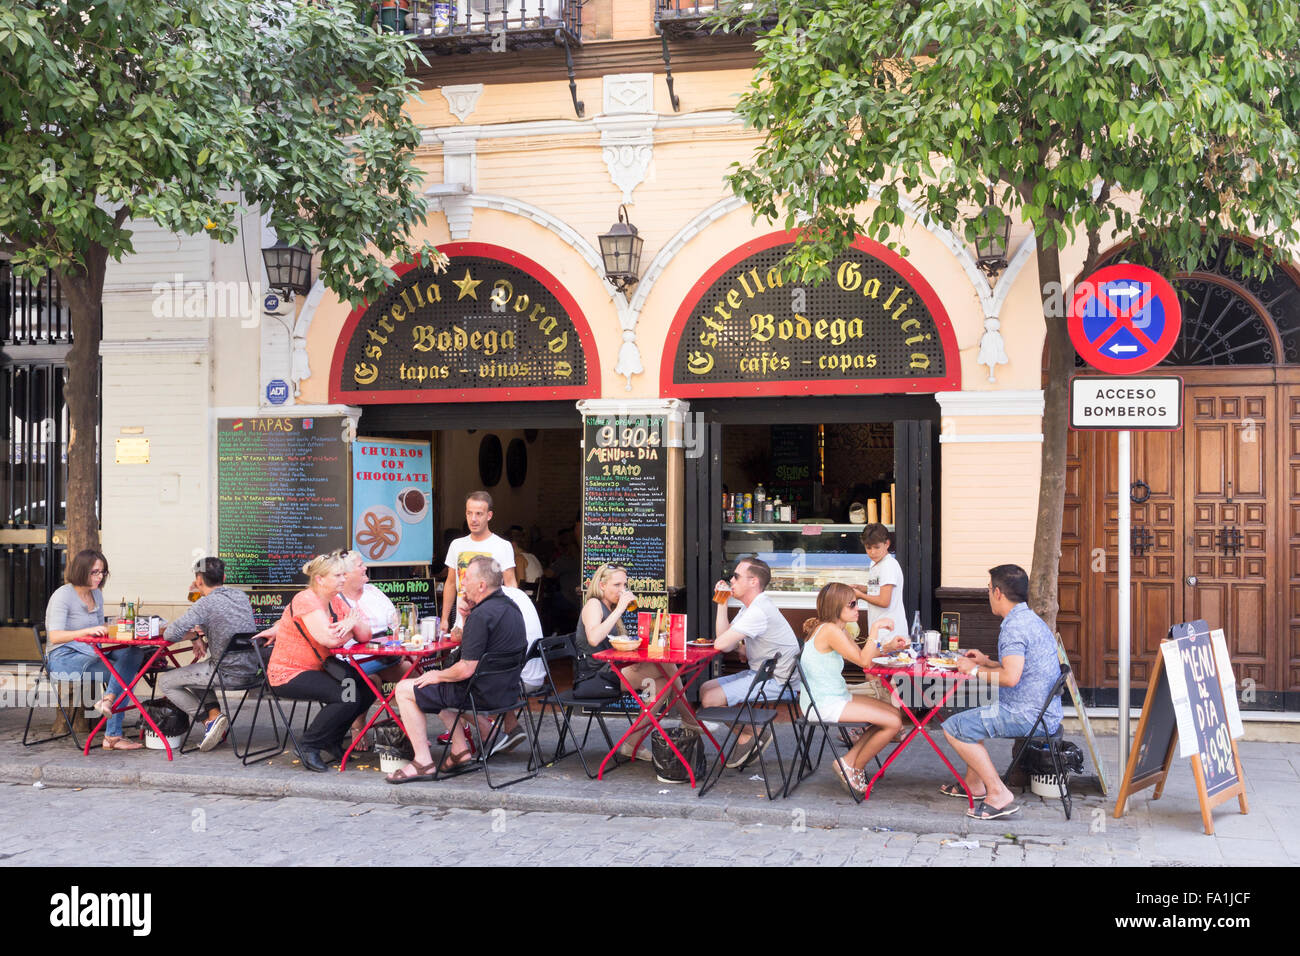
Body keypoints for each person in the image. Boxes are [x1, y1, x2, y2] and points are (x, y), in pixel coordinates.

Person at [941, 564, 1064, 820]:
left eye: (988, 589)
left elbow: (1010, 678)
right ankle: (974, 785)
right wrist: (987, 662)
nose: (988, 594)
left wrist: (973, 671)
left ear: (998, 592)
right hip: (1042, 710)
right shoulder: (1029, 618)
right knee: (965, 707)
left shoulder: (1013, 627)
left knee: (953, 728)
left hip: (1026, 714)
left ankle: (997, 792)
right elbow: (1018, 667)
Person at [388, 556, 526, 782]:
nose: (462, 584)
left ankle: (423, 761)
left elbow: (465, 669)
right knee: (437, 687)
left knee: (405, 688)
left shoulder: (482, 616)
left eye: (467, 578)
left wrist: (437, 674)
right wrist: (465, 617)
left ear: (481, 585)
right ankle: (460, 751)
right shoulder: (510, 607)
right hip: (506, 691)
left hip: (479, 695)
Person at [573, 563, 699, 768]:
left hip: (610, 672)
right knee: (667, 667)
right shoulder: (594, 605)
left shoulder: (609, 608)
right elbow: (594, 638)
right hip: (593, 679)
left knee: (661, 685)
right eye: (617, 584)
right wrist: (621, 607)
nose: (622, 589)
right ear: (602, 585)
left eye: (625, 584)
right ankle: (689, 718)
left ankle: (632, 743)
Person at [267, 552, 376, 772]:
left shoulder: (336, 601)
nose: (343, 579)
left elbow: (365, 636)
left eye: (343, 575)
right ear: (320, 579)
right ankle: (309, 745)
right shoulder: (305, 599)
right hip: (289, 673)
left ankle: (331, 739)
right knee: (345, 696)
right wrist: (348, 627)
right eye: (337, 575)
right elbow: (328, 639)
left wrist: (352, 622)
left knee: (367, 686)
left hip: (320, 668)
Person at [799, 582, 906, 796]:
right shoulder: (829, 630)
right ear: (836, 607)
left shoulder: (836, 628)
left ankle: (848, 761)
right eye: (852, 605)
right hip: (823, 703)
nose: (858, 608)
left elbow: (861, 654)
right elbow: (865, 663)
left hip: (836, 695)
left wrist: (888, 648)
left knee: (893, 714)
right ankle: (853, 766)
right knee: (893, 723)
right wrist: (875, 629)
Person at [699, 556, 801, 768]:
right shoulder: (752, 607)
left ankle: (749, 735)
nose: (731, 581)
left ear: (753, 581)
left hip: (779, 682)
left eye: (736, 577)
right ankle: (751, 734)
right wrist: (722, 603)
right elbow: (727, 643)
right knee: (705, 688)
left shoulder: (757, 611)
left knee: (710, 699)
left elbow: (722, 645)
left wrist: (723, 603)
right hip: (764, 673)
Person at [43, 550, 146, 751]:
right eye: (95, 572)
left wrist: (119, 628)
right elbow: (55, 636)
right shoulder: (63, 596)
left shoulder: (96, 594)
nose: (99, 577)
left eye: (103, 573)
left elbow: (99, 632)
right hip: (63, 656)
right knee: (124, 674)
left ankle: (107, 700)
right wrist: (87, 631)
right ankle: (112, 736)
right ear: (81, 571)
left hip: (92, 652)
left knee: (134, 653)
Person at [158, 557, 258, 751]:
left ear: (199, 581)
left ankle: (208, 721)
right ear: (224, 577)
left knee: (166, 682)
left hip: (226, 672)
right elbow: (217, 622)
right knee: (195, 672)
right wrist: (197, 635)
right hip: (252, 670)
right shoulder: (240, 597)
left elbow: (171, 633)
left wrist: (194, 631)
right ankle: (214, 716)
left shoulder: (206, 604)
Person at [439, 491, 517, 635]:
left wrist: (512, 619)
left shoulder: (502, 546)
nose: (473, 519)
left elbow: (511, 585)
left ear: (489, 516)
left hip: (492, 623)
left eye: (479, 514)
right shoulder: (457, 545)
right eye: (469, 513)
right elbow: (450, 583)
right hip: (461, 624)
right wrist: (444, 618)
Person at [852, 523, 907, 636]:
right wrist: (863, 589)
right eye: (868, 548)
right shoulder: (876, 563)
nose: (872, 552)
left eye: (877, 547)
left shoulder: (888, 566)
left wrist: (860, 595)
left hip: (890, 632)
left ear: (887, 543)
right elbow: (879, 590)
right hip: (880, 628)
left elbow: (884, 601)